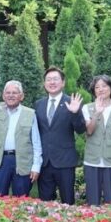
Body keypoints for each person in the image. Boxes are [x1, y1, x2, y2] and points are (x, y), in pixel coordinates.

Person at [33, 67, 85, 204]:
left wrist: (75, 113)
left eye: (55, 79)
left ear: (62, 82)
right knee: (45, 203)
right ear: (44, 84)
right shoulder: (39, 104)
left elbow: (80, 129)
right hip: (44, 162)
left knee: (67, 201)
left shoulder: (71, 102)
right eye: (48, 80)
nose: (52, 82)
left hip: (65, 162)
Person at [82, 75, 111, 205]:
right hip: (92, 160)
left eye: (104, 86)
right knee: (92, 202)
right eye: (97, 87)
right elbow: (89, 131)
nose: (100, 89)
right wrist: (96, 113)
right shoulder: (87, 108)